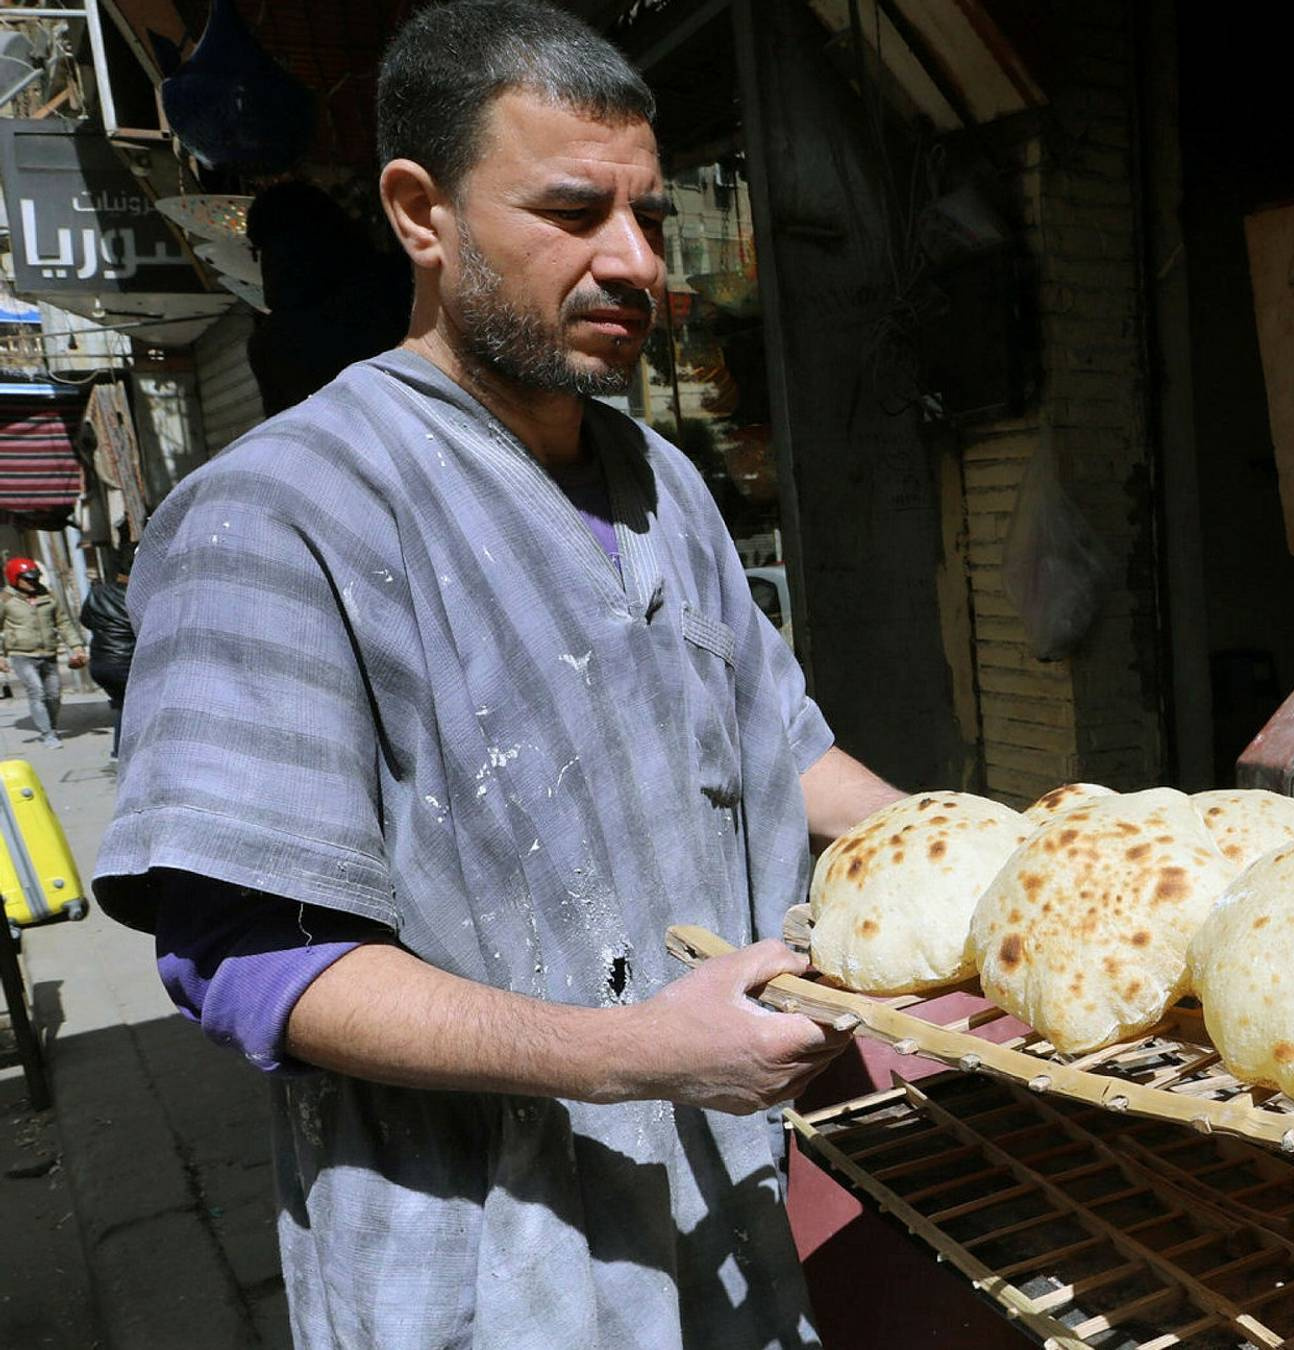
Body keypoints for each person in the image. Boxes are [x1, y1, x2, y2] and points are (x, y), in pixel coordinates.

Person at [94, 3, 906, 1344]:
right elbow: (252, 963)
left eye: (651, 214)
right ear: (421, 211)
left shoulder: (663, 483)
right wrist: (643, 1052)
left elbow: (780, 746)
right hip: (488, 1266)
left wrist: (1000, 865)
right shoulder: (286, 511)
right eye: (575, 211)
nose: (635, 260)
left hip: (723, 1216)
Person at [1, 556, 86, 748]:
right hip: (22, 655)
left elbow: (63, 623)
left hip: (49, 653)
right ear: (14, 578)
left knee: (54, 694)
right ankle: (47, 734)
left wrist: (77, 646)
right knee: (36, 692)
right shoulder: (5, 599)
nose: (33, 583)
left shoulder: (47, 595)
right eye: (28, 579)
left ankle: (52, 728)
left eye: (35, 578)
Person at [79, 551, 134, 759]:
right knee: (130, 705)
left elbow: (85, 620)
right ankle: (122, 753)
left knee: (124, 705)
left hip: (101, 663)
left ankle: (120, 753)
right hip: (126, 664)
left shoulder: (96, 593)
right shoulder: (137, 596)